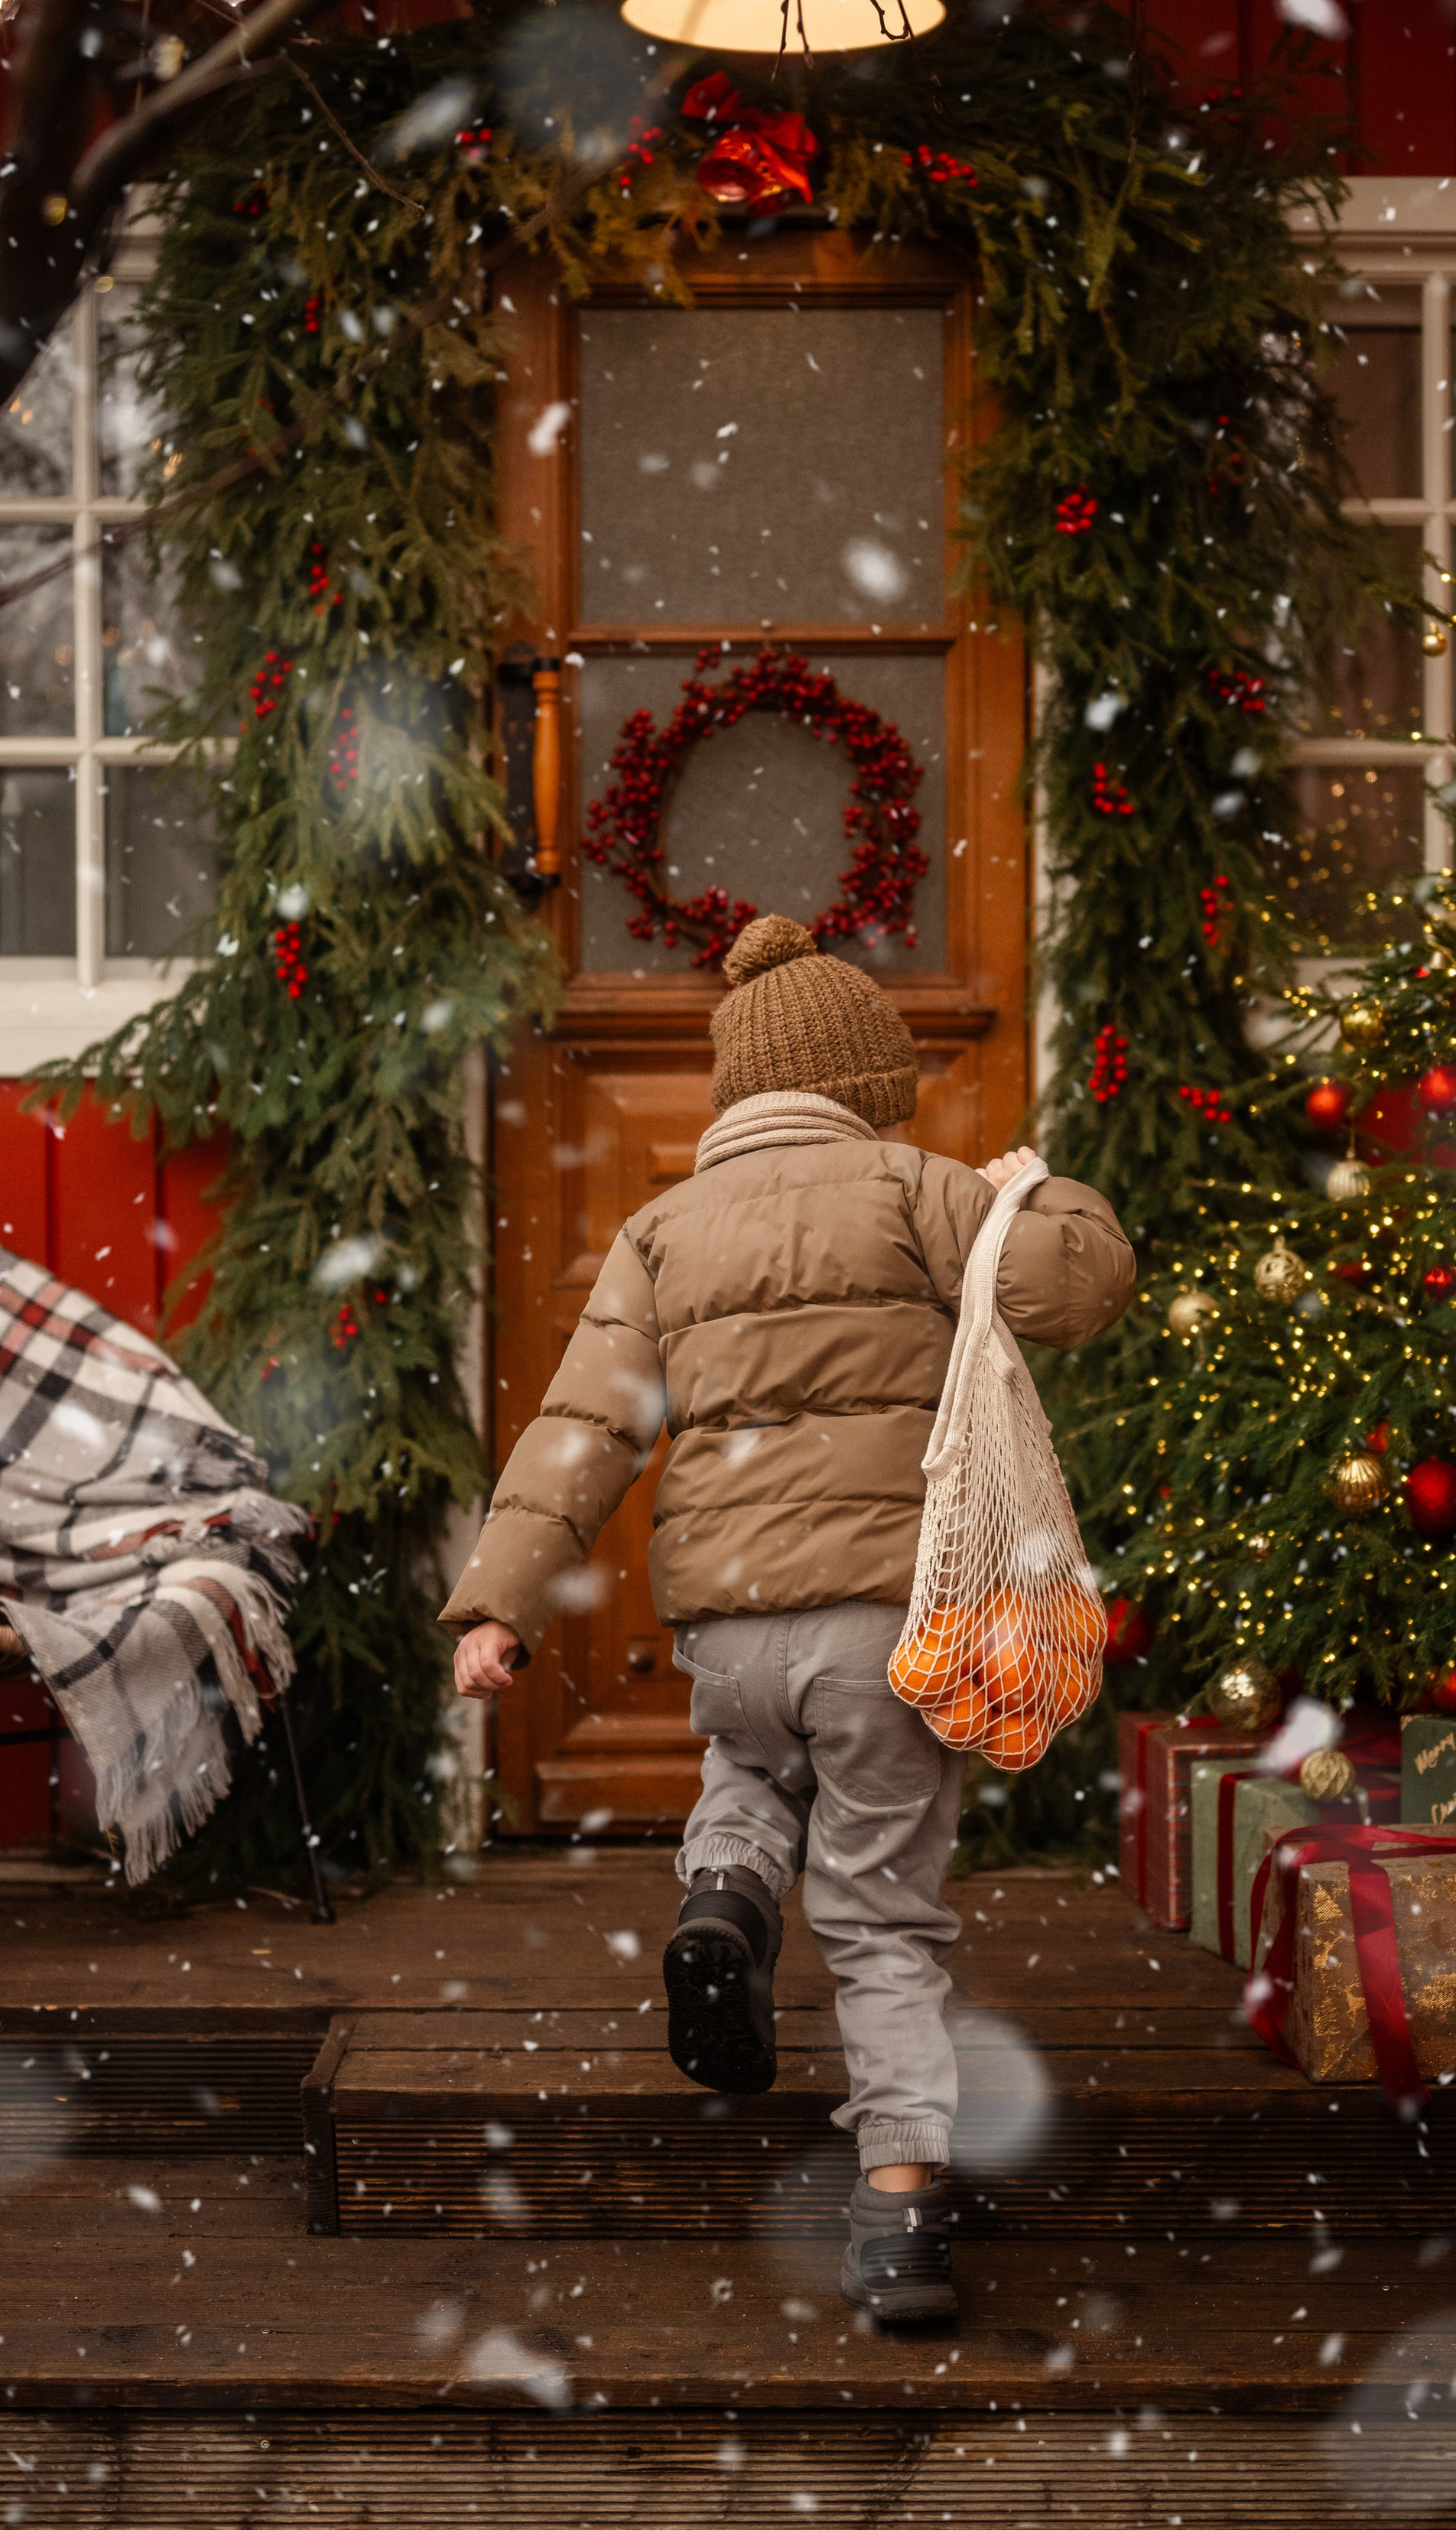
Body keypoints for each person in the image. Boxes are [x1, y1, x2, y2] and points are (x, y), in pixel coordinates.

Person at [443, 914, 1135, 2327]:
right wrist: (1035, 1187)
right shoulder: (921, 1188)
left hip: (731, 1631)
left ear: (734, 1096)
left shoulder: (659, 1227)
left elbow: (585, 1429)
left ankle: (728, 1901)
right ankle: (899, 2210)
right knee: (883, 1918)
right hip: (892, 1623)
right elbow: (1083, 1285)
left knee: (749, 1770)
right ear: (869, 1085)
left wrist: (499, 1604)